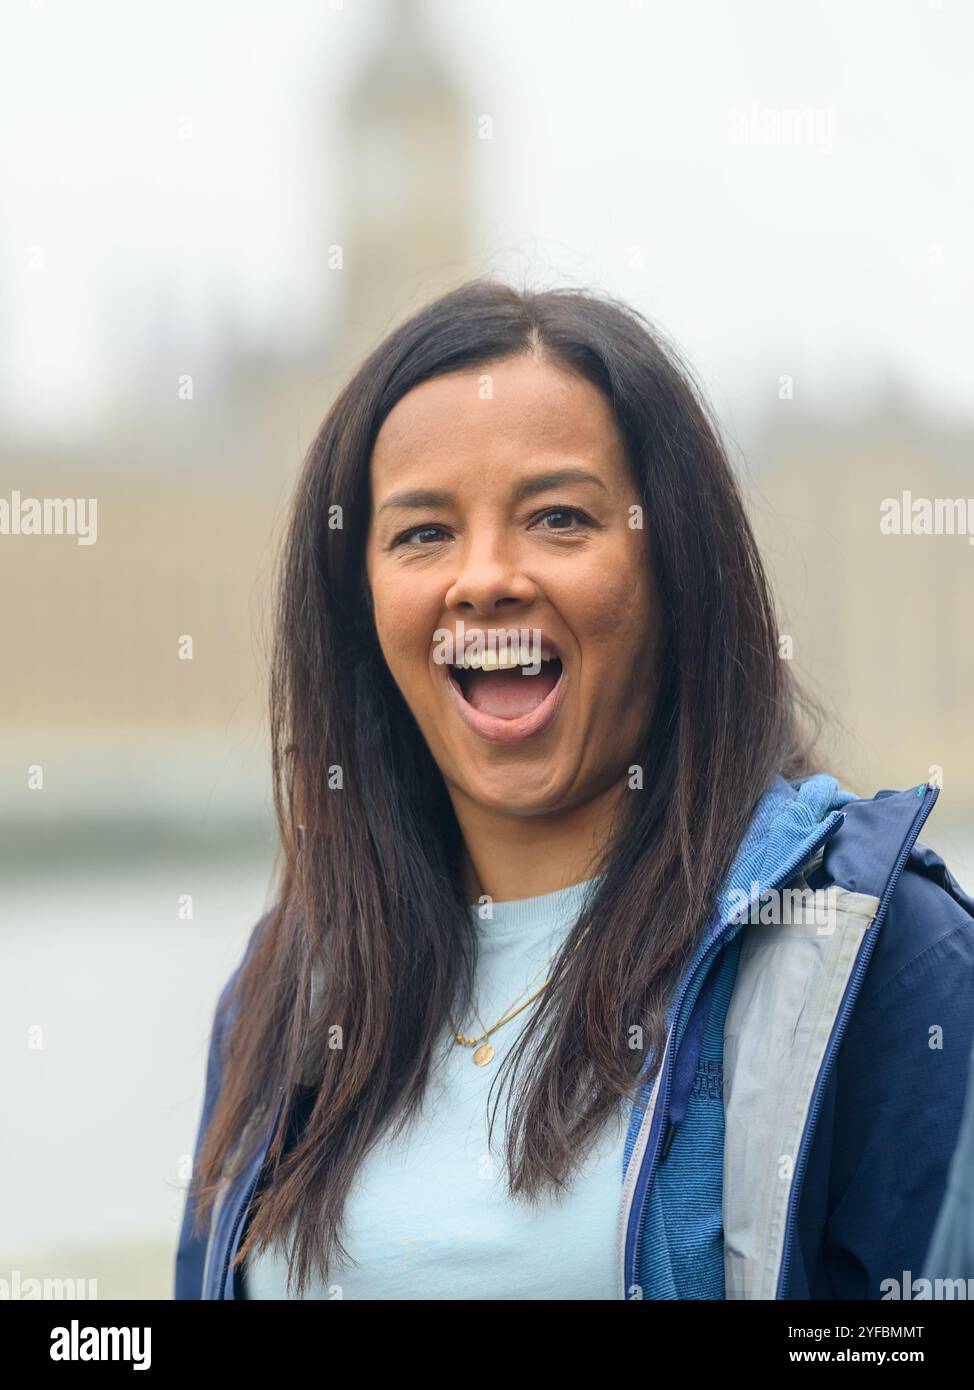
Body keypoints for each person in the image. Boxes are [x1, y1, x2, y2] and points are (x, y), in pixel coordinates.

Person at [174, 279, 974, 1300]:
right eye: (422, 532)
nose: (484, 576)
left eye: (557, 517)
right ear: (357, 602)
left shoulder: (875, 954)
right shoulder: (291, 981)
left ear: (673, 567)